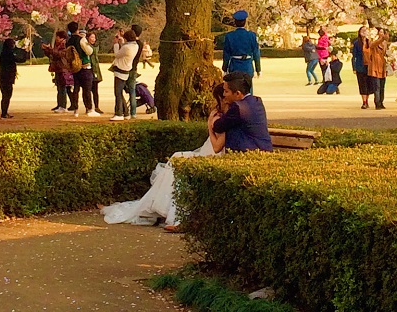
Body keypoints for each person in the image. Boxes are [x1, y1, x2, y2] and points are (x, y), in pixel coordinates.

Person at [101, 84, 228, 228]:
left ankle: (171, 213)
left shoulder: (221, 117)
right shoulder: (219, 114)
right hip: (209, 152)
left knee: (177, 161)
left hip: (213, 154)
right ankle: (165, 209)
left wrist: (209, 128)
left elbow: (217, 145)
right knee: (176, 159)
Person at [212, 71, 273, 152]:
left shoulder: (238, 108)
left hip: (249, 155)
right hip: (264, 150)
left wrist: (212, 120)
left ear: (237, 93)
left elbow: (218, 127)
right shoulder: (257, 101)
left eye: (226, 91)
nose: (223, 94)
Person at [68, 21, 99, 118]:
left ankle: (76, 110)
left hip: (74, 67)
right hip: (85, 67)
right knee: (87, 89)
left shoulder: (68, 41)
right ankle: (89, 109)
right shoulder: (81, 40)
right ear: (77, 29)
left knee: (76, 89)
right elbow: (89, 51)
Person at [110, 29, 139, 121]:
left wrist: (116, 44)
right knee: (120, 93)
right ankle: (126, 112)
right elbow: (124, 50)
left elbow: (117, 54)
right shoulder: (135, 45)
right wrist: (122, 43)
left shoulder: (127, 47)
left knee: (117, 93)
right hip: (126, 70)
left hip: (120, 70)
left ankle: (119, 113)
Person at [222, 10, 261, 78]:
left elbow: (226, 54)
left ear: (235, 22)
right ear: (245, 22)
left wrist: (224, 69)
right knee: (247, 87)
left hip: (234, 66)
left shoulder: (229, 36)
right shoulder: (252, 35)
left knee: (235, 87)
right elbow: (256, 53)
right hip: (247, 66)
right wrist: (258, 69)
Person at [0, 37, 27, 119]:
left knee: (5, 96)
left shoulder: (5, 52)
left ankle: (4, 112)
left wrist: (22, 47)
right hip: (6, 77)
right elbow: (20, 60)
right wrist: (25, 51)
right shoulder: (8, 54)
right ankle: (4, 113)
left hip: (2, 77)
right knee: (6, 96)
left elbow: (16, 52)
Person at [42, 30, 71, 113]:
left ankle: (63, 106)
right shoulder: (58, 45)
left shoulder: (64, 45)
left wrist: (49, 49)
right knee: (59, 87)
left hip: (63, 68)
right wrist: (46, 50)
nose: (56, 39)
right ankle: (60, 104)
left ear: (61, 38)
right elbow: (53, 55)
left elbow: (59, 54)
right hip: (58, 68)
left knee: (62, 88)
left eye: (57, 37)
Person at [364, 27, 388, 110]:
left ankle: (381, 102)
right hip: (375, 65)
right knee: (376, 87)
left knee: (382, 86)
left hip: (383, 66)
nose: (381, 33)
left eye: (382, 32)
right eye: (380, 32)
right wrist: (381, 39)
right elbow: (372, 45)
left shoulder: (385, 43)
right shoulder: (374, 40)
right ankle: (377, 103)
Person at [124, 23, 144, 119]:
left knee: (119, 90)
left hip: (125, 68)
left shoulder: (129, 45)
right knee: (132, 92)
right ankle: (133, 113)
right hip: (134, 69)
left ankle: (123, 110)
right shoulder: (140, 44)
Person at [351, 26, 372, 109]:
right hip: (360, 66)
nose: (364, 32)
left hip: (369, 66)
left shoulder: (370, 42)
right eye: (362, 31)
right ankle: (364, 102)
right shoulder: (356, 43)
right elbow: (354, 56)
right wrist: (354, 67)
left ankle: (367, 101)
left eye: (365, 30)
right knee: (362, 84)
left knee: (369, 84)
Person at [87, 32, 104, 114]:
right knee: (88, 90)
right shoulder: (87, 48)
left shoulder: (94, 47)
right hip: (89, 70)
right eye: (92, 37)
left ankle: (96, 106)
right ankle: (89, 107)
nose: (94, 39)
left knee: (95, 90)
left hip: (95, 70)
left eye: (94, 37)